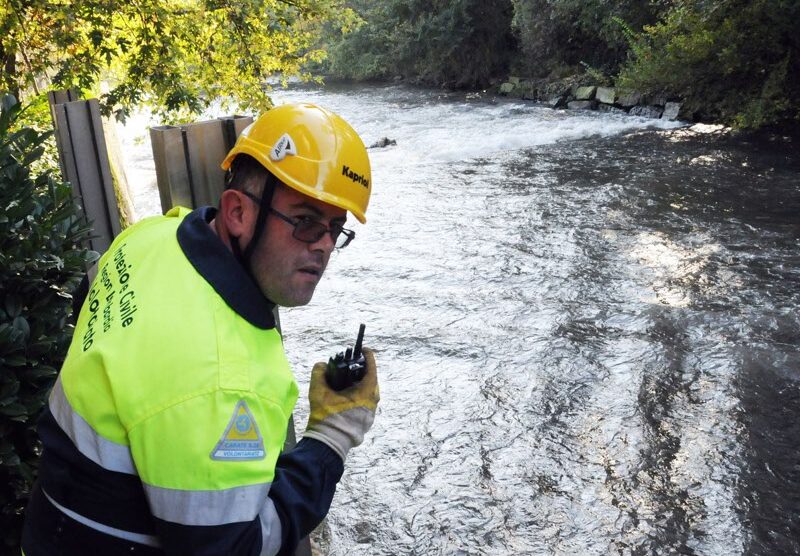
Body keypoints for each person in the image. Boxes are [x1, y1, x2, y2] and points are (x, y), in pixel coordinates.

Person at [21, 103, 380, 555]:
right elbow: (233, 548)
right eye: (305, 222)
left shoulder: (148, 238)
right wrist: (333, 436)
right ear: (237, 213)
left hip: (53, 521)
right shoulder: (223, 379)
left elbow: (87, 297)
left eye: (335, 228)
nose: (324, 246)